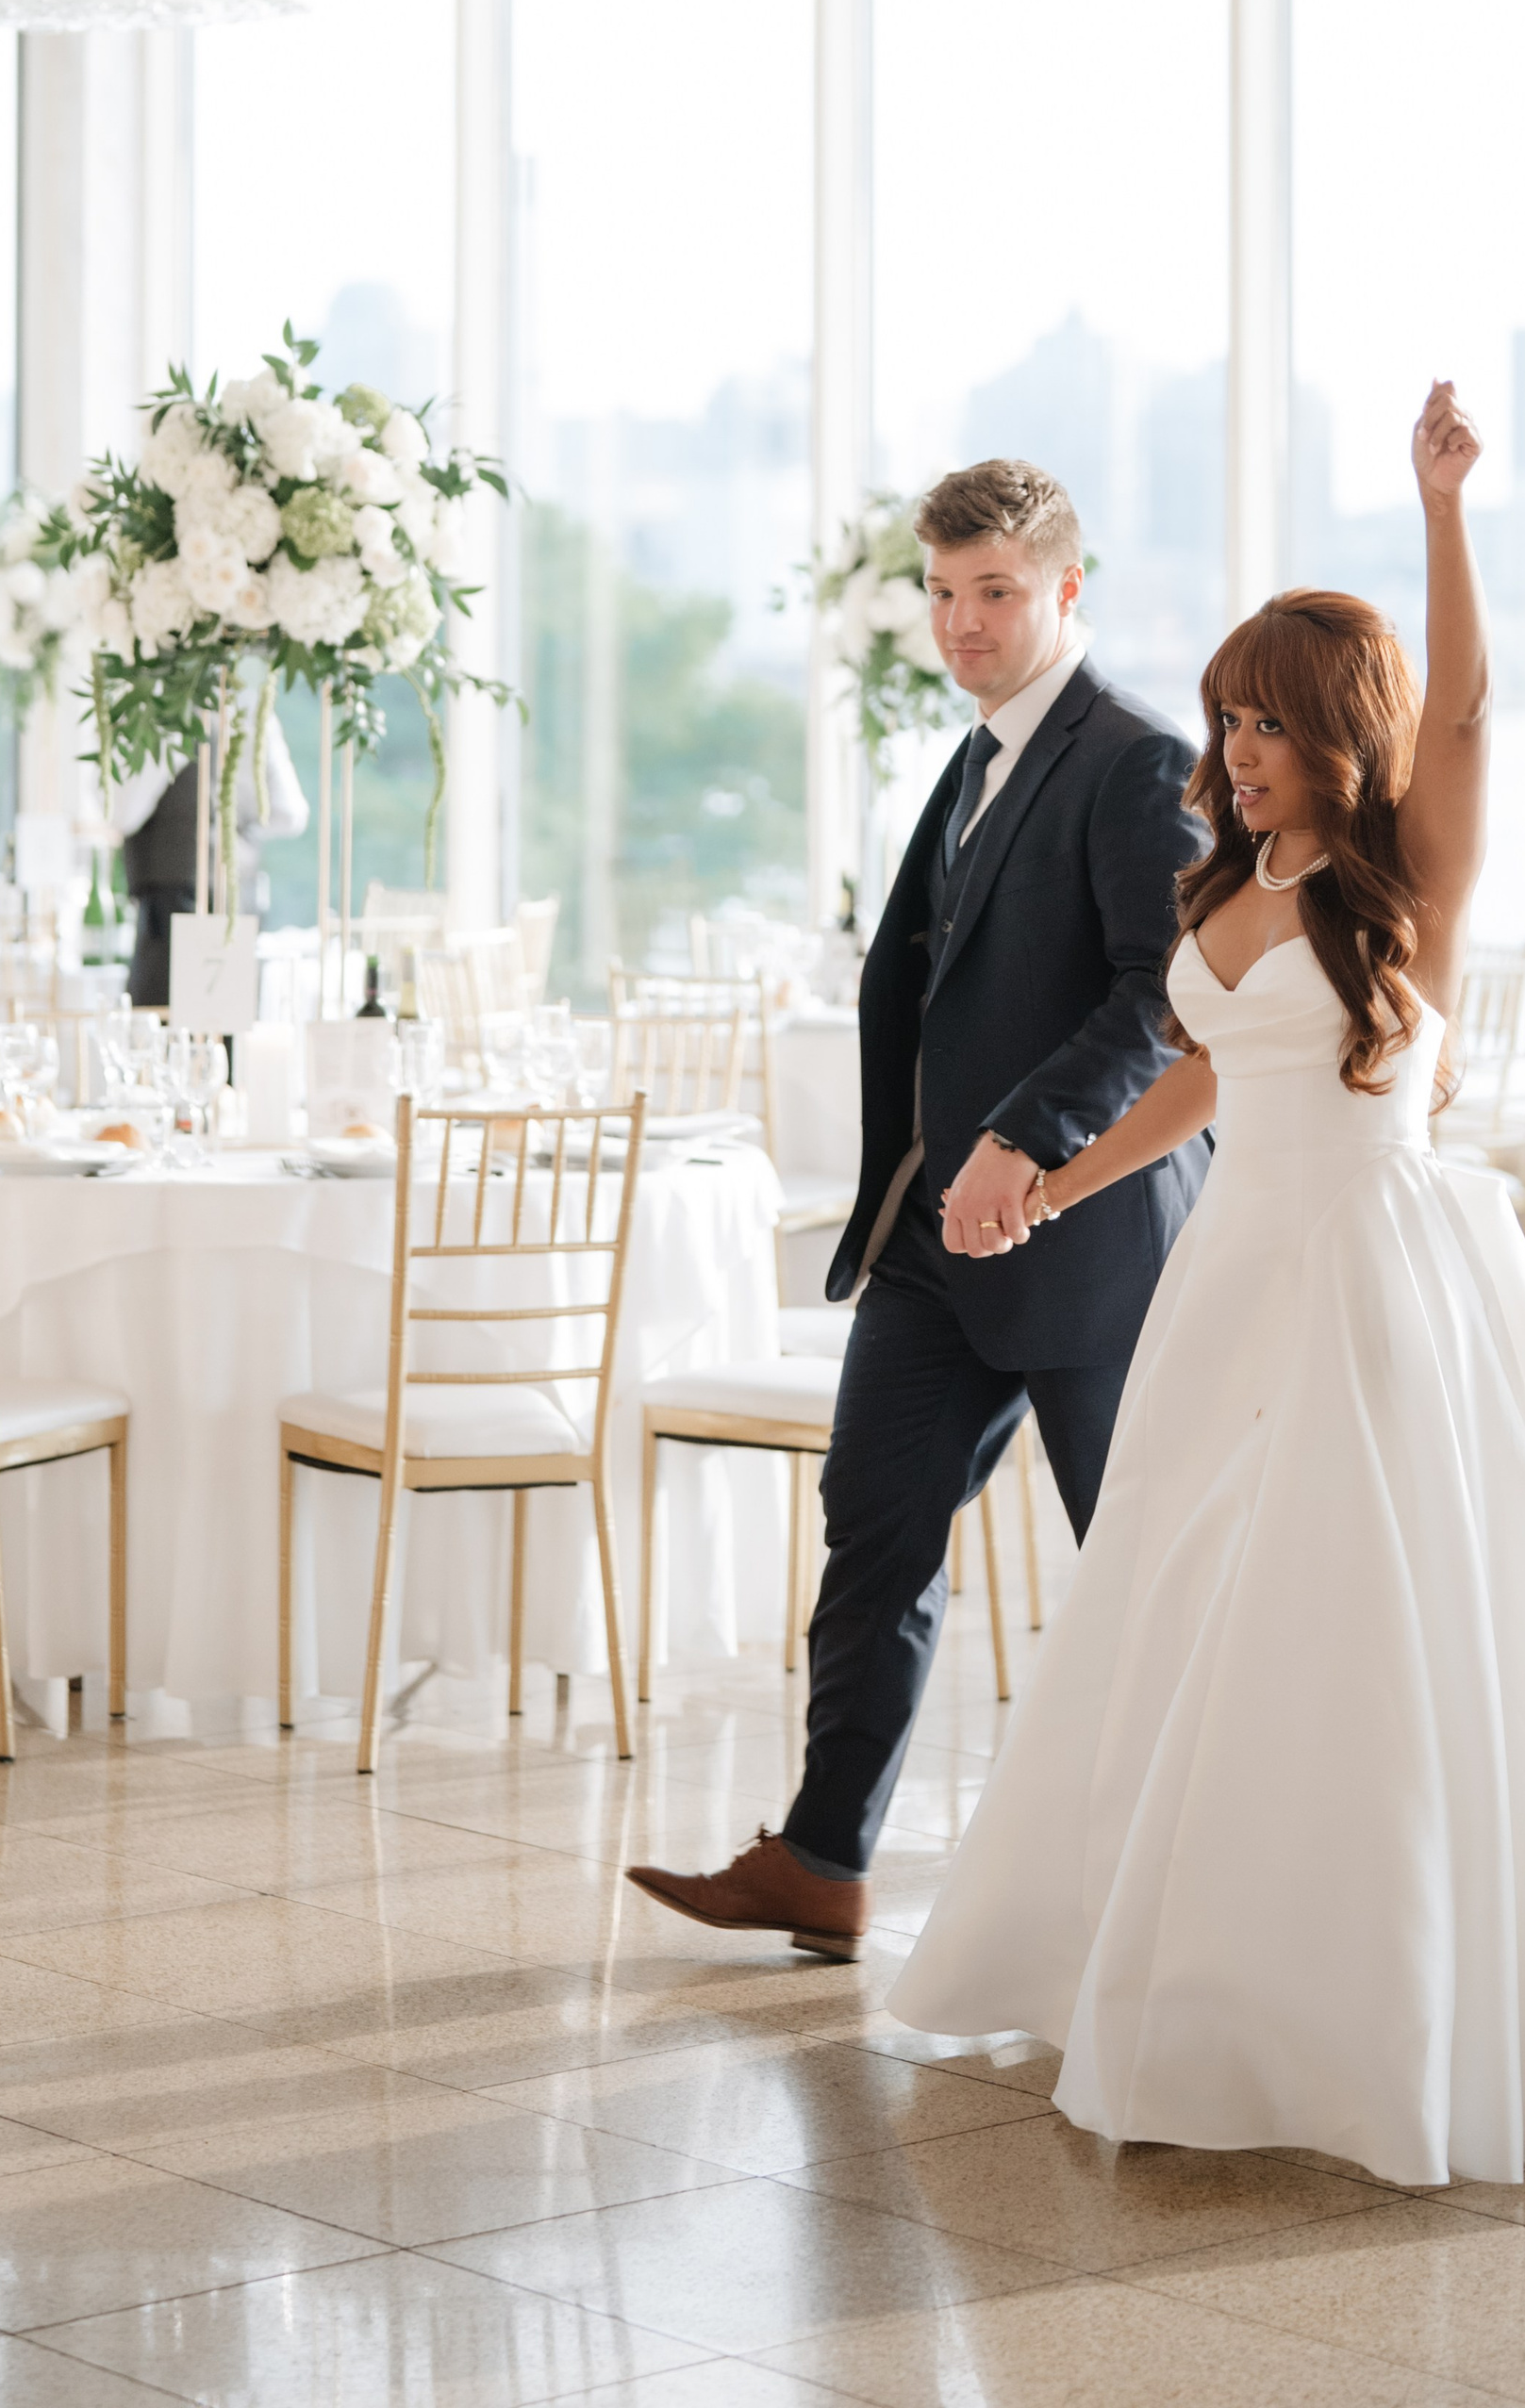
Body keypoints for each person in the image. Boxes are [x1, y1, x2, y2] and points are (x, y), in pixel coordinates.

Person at [890, 386, 1525, 2185]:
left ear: (1342, 731)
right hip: (1234, 1269)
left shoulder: (1407, 876)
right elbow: (1204, 1075)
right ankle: (1191, 1978)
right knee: (1190, 1609)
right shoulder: (1228, 873)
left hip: (1380, 1270)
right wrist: (1060, 1186)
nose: (1240, 747)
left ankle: (1377, 2015)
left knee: (1366, 1622)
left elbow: (1472, 710)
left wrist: (1444, 513)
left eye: (1271, 720)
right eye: (1229, 716)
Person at [625, 459, 1211, 1961]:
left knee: (1138, 1564)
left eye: (995, 593)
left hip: (1086, 1242)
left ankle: (1199, 1894)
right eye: (944, 594)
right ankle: (823, 1859)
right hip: (936, 1243)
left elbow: (1164, 996)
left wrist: (1024, 1139)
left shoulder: (1137, 758)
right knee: (873, 1527)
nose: (963, 624)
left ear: (1066, 589)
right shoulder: (979, 755)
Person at [114, 712, 307, 1009]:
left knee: (166, 1019)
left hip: (171, 906)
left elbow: (122, 814)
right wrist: (237, 832)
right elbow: (290, 814)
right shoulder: (256, 715)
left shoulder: (162, 716)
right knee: (226, 1017)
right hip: (238, 898)